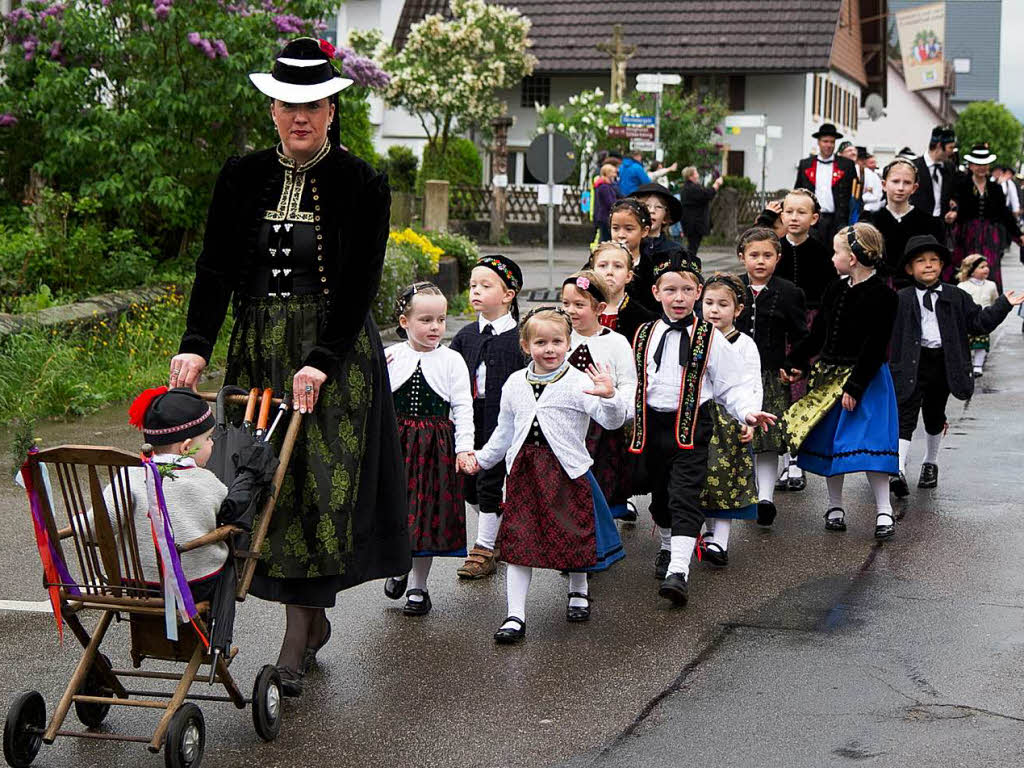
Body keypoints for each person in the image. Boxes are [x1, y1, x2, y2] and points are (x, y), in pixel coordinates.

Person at [170, 37, 410, 697]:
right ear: (271, 109)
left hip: (332, 357)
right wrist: (196, 341)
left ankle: (298, 637)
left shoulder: (362, 181)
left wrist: (323, 360)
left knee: (318, 488)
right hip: (256, 348)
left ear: (332, 108)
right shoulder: (241, 175)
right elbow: (215, 266)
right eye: (286, 103)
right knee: (257, 480)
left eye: (311, 103)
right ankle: (306, 620)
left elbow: (360, 281)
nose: (298, 115)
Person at [468, 308, 627, 643]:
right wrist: (483, 460)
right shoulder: (515, 383)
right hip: (525, 474)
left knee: (573, 534)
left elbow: (612, 421)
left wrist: (610, 397)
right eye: (541, 342)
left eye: (557, 341)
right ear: (526, 346)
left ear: (569, 343)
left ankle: (579, 590)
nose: (550, 348)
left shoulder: (580, 382)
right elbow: (504, 432)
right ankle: (515, 615)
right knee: (518, 541)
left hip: (567, 472)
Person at [627, 250, 774, 606]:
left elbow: (732, 384)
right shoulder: (643, 334)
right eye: (671, 290)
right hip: (651, 427)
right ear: (656, 292)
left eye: (687, 290)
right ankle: (667, 545)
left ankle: (679, 571)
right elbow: (629, 383)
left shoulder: (711, 337)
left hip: (693, 426)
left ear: (697, 293)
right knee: (661, 498)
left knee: (685, 495)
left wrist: (747, 412)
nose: (679, 298)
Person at [98, 387, 273, 606]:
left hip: (132, 584)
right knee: (225, 550)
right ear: (187, 447)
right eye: (209, 439)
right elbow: (226, 518)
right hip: (192, 584)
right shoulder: (207, 481)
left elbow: (98, 527)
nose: (212, 444)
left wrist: (74, 525)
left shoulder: (129, 476)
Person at [781, 223, 899, 539]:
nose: (832, 258)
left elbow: (876, 345)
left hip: (866, 379)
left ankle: (884, 509)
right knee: (832, 443)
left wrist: (856, 385)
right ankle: (835, 506)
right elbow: (819, 333)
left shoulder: (884, 296)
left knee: (872, 443)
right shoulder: (835, 288)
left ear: (855, 257)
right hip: (829, 376)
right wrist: (798, 361)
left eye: (837, 252)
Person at [889, 236, 1022, 498]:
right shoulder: (901, 299)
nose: (928, 265)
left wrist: (1003, 305)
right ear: (909, 268)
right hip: (911, 362)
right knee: (904, 415)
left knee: (934, 415)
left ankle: (930, 462)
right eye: (921, 261)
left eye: (934, 261)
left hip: (943, 363)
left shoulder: (956, 296)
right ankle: (898, 468)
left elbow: (979, 323)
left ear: (942, 265)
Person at [384, 283, 475, 616]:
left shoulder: (452, 361)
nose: (435, 327)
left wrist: (464, 448)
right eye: (426, 320)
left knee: (424, 518)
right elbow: (377, 404)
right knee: (397, 511)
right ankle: (398, 565)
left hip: (435, 449)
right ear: (405, 321)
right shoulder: (391, 356)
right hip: (397, 444)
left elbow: (464, 407)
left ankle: (418, 588)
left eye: (440, 319)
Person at [450, 255, 527, 580]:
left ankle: (482, 549)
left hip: (504, 422)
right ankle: (493, 533)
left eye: (485, 285)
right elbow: (450, 373)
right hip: (470, 419)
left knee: (490, 480)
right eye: (472, 285)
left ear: (508, 294)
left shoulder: (521, 337)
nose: (475, 292)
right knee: (470, 485)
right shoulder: (466, 335)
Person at [734, 227, 808, 528]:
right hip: (734, 377)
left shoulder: (789, 292)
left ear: (778, 258)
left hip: (769, 375)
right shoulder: (731, 288)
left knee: (767, 439)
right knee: (734, 436)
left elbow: (802, 335)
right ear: (742, 258)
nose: (760, 261)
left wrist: (793, 364)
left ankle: (765, 498)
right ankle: (739, 494)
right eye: (754, 255)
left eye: (767, 255)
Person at [561, 270, 638, 522]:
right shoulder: (560, 339)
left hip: (603, 426)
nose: (571, 310)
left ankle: (601, 536)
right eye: (566, 303)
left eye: (579, 304)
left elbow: (628, 382)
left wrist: (621, 407)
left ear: (599, 307)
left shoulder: (616, 343)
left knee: (602, 482)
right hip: (567, 424)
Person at [697, 274, 762, 567]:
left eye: (723, 304)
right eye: (708, 302)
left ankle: (720, 542)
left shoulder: (744, 344)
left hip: (731, 420)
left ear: (737, 310)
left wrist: (749, 418)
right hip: (698, 418)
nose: (714, 310)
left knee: (726, 481)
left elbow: (752, 383)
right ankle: (703, 535)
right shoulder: (695, 336)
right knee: (699, 478)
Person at [947, 144, 1023, 291]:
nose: (981, 167)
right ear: (971, 166)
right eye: (977, 164)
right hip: (966, 235)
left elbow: (1004, 214)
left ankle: (990, 308)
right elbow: (954, 203)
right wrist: (954, 213)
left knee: (989, 270)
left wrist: (1018, 235)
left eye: (984, 164)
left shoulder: (995, 189)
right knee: (967, 270)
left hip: (989, 237)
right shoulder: (962, 185)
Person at [865, 157, 944, 289]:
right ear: (884, 185)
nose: (900, 188)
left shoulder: (930, 223)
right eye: (895, 181)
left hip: (918, 289)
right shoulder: (871, 222)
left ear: (914, 187)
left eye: (907, 183)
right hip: (879, 290)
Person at [794, 123, 857, 244]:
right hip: (812, 219)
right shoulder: (805, 164)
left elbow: (853, 194)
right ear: (818, 142)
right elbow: (798, 192)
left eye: (832, 142)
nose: (829, 145)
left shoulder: (847, 165)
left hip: (838, 220)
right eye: (825, 141)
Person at [589, 241, 656, 342]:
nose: (609, 272)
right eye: (602, 266)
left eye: (618, 266)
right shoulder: (583, 311)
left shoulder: (644, 318)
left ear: (628, 276)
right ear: (592, 272)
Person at [956, 254, 1000, 376]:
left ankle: (978, 365)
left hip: (983, 318)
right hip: (966, 321)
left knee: (981, 344)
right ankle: (967, 363)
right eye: (981, 267)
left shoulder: (991, 285)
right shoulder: (962, 286)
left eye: (987, 266)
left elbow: (994, 300)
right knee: (967, 344)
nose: (986, 269)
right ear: (971, 270)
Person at [910, 126, 957, 229]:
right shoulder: (914, 167)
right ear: (939, 145)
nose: (952, 152)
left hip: (942, 227)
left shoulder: (950, 167)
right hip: (918, 226)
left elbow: (955, 193)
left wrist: (954, 210)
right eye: (950, 147)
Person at [679, 166, 723, 257]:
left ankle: (689, 265)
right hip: (694, 224)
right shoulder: (691, 188)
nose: (698, 175)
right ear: (691, 176)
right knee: (692, 247)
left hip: (691, 223)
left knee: (693, 245)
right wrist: (716, 184)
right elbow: (707, 194)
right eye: (696, 173)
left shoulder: (689, 187)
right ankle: (689, 266)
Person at [593, 163, 620, 242]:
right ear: (608, 173)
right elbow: (610, 202)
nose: (615, 175)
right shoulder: (604, 186)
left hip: (604, 216)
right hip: (605, 217)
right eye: (613, 172)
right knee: (606, 239)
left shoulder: (606, 185)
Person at [857, 146, 884, 215]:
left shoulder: (871, 175)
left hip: (868, 209)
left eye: (863, 159)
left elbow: (876, 195)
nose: (862, 162)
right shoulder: (859, 171)